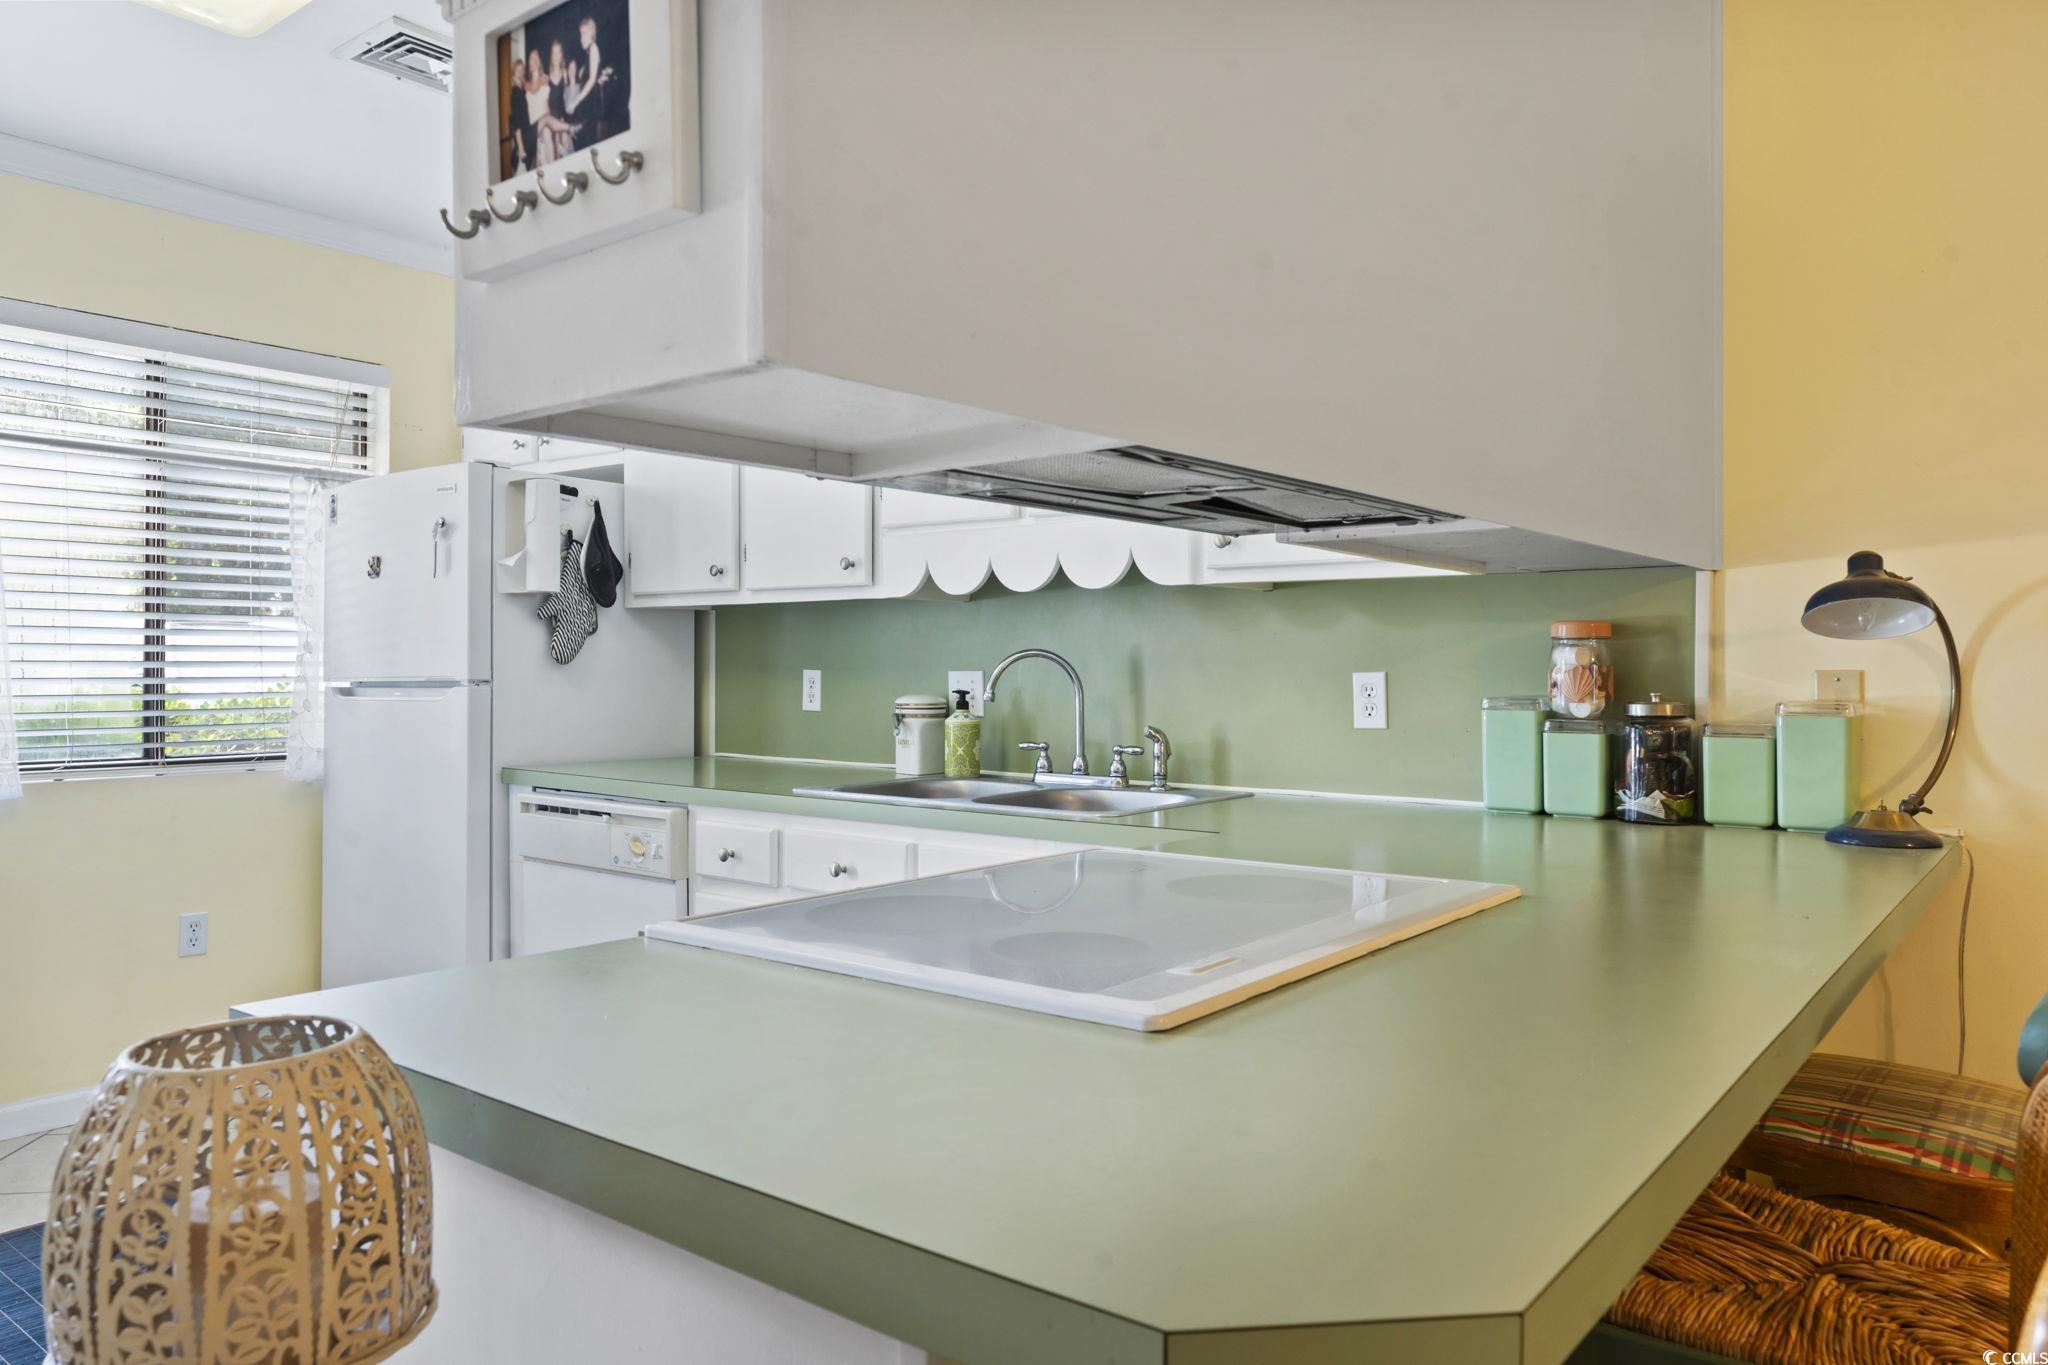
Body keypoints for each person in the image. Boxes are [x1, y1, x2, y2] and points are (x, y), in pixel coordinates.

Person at [522, 47, 563, 167]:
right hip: (531, 127)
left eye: (536, 58)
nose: (534, 61)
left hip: (543, 123)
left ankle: (552, 167)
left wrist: (550, 125)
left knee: (546, 132)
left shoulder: (544, 82)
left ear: (539, 63)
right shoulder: (525, 84)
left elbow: (546, 109)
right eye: (531, 59)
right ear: (529, 64)